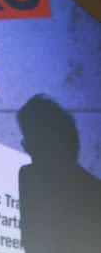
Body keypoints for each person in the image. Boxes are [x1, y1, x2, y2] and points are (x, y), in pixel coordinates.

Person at [17, 94, 101, 253]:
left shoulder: (95, 192)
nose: (28, 148)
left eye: (32, 139)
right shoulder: (28, 177)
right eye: (27, 140)